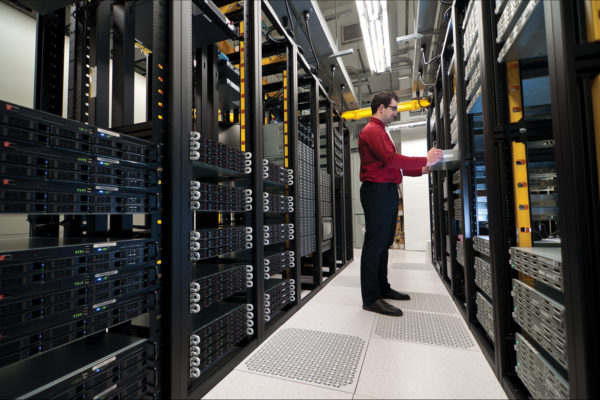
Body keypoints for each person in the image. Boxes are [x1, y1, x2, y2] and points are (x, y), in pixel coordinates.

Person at [358, 91, 443, 316]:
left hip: (386, 190)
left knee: (384, 243)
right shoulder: (372, 131)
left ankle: (382, 288)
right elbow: (391, 160)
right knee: (375, 245)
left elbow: (397, 167)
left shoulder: (382, 132)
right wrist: (425, 158)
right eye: (394, 108)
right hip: (376, 191)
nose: (396, 113)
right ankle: (371, 298)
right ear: (381, 108)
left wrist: (421, 169)